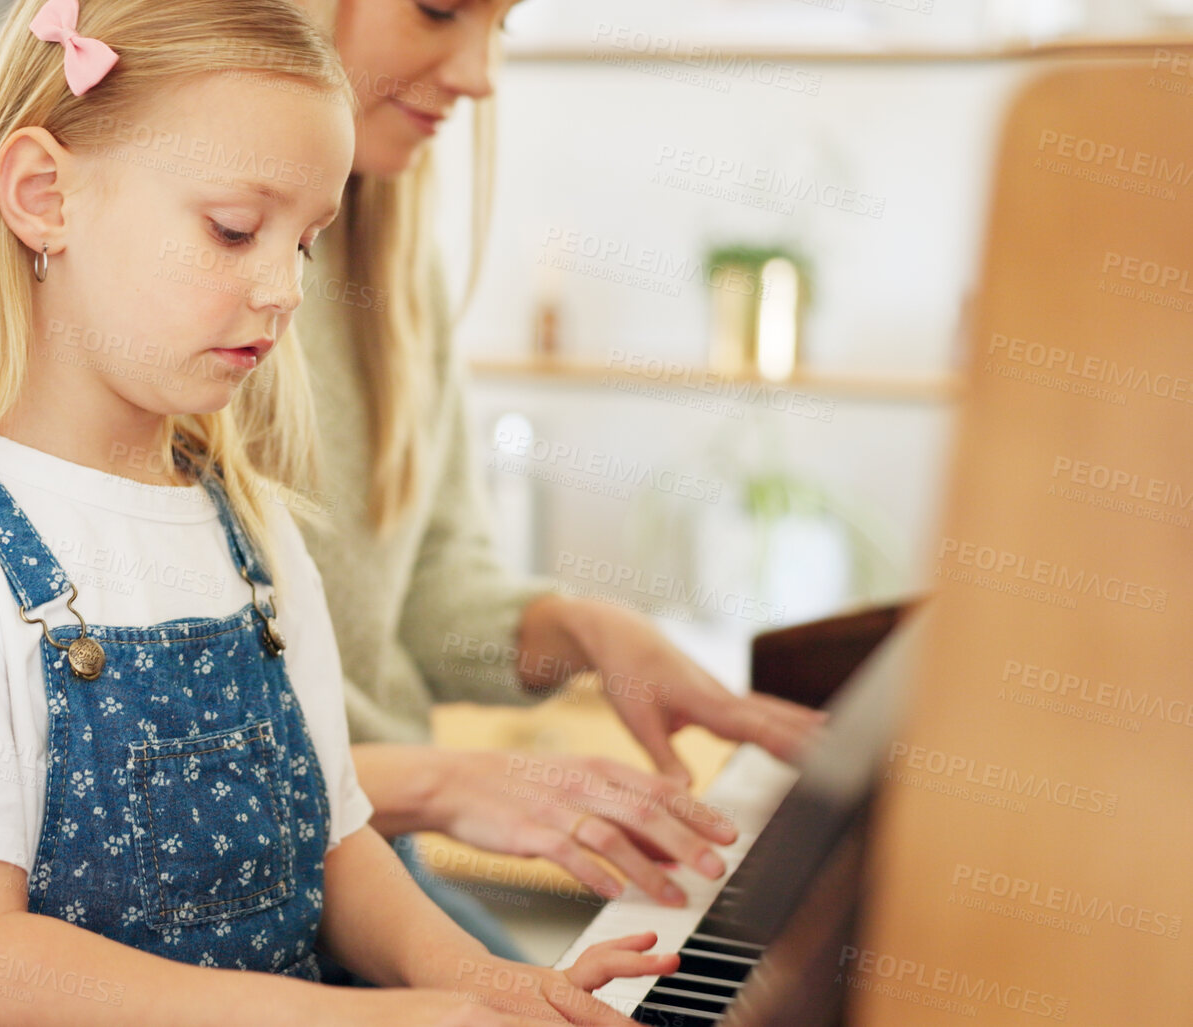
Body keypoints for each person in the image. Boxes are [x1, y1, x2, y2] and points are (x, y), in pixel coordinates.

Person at [0, 0, 675, 1023]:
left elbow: (339, 850)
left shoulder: (251, 533)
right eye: (236, 229)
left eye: (304, 242)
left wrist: (487, 983)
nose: (286, 287)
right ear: (44, 197)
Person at [288, 0, 829, 957]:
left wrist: (583, 630)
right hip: (263, 883)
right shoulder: (174, 285)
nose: (479, 75)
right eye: (438, 10)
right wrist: (442, 781)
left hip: (375, 855)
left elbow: (421, 590)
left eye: (501, 26)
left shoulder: (386, 248)